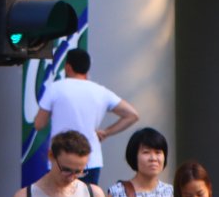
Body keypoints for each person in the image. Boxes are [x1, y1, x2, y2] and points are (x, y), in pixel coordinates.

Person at [34, 48, 141, 185]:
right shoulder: (100, 91)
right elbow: (132, 115)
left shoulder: (55, 88)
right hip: (90, 160)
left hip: (60, 159)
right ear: (87, 68)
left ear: (67, 67)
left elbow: (39, 123)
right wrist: (106, 132)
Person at [9, 130, 109, 197]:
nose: (71, 178)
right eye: (66, 170)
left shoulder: (94, 195)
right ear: (51, 156)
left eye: (78, 172)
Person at [107, 127, 174, 197]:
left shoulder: (170, 192)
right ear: (134, 156)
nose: (153, 158)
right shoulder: (117, 193)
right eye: (146, 152)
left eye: (158, 152)